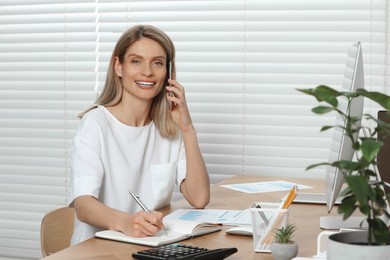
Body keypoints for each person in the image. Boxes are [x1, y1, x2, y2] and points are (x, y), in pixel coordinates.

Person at [68, 24, 210, 245]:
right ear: (118, 66)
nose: (148, 72)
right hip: (98, 249)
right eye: (136, 61)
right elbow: (83, 205)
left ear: (168, 72)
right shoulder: (95, 123)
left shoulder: (170, 127)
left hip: (150, 245)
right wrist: (126, 222)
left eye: (158, 63)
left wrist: (188, 129)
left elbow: (199, 198)